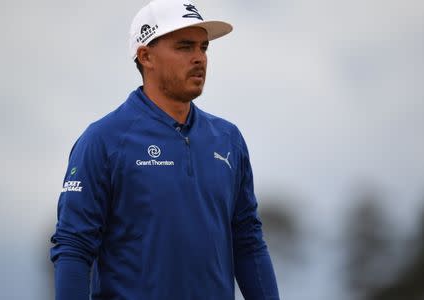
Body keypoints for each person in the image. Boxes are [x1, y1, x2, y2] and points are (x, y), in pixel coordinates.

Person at [50, 0, 280, 299]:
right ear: (146, 56)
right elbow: (73, 248)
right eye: (185, 47)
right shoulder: (103, 140)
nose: (199, 58)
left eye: (204, 48)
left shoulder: (228, 139)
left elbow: (248, 242)